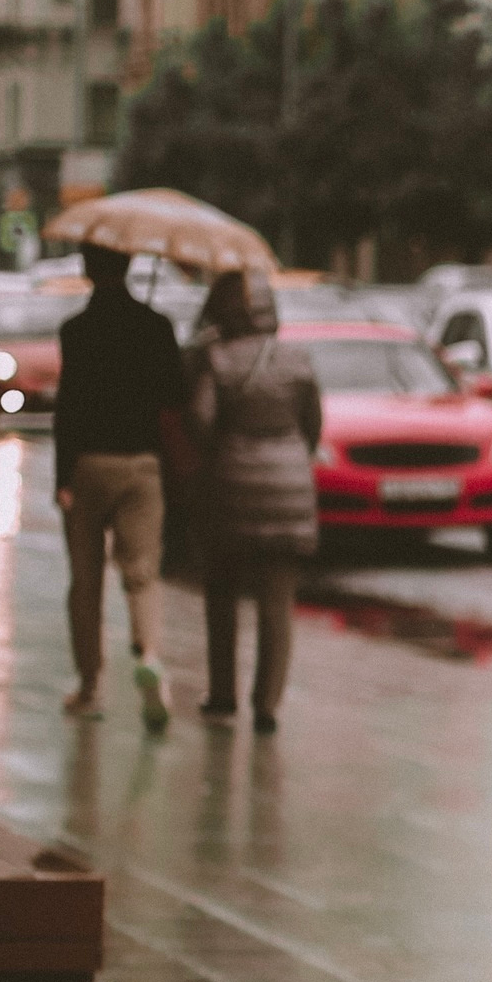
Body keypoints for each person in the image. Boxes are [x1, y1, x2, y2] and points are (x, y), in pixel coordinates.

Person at [183, 269, 322, 734]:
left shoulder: (218, 361)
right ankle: (267, 704)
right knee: (276, 605)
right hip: (289, 490)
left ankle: (223, 695)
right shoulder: (299, 361)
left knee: (221, 597)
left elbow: (200, 424)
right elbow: (313, 428)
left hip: (229, 490)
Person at [52, 242, 185, 729]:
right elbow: (175, 400)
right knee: (142, 573)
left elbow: (67, 409)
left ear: (88, 268)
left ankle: (90, 688)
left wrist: (62, 478)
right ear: (129, 265)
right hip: (142, 464)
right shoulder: (157, 327)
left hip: (88, 464)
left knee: (85, 582)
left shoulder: (76, 330)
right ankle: (148, 654)